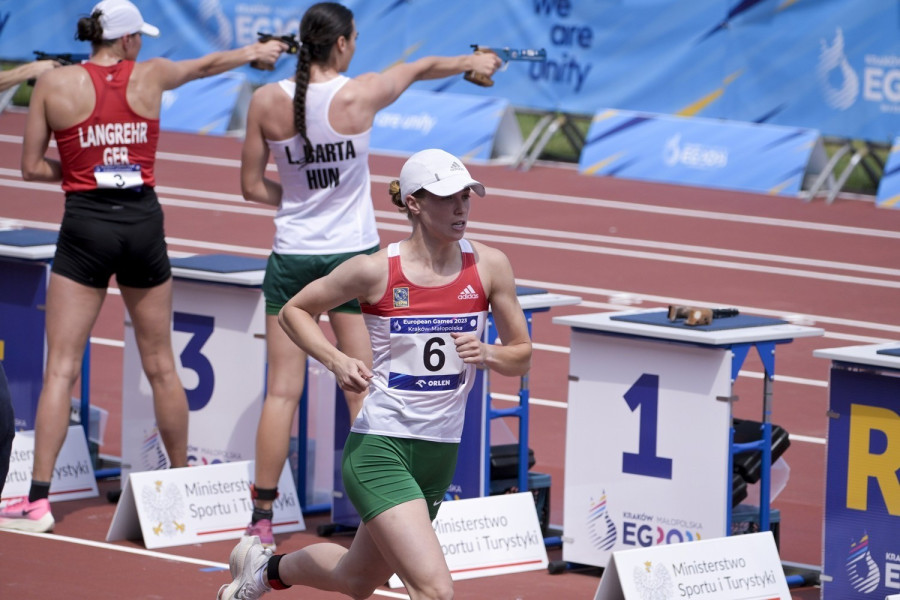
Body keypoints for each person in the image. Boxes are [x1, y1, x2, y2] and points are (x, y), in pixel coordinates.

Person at [0, 0, 286, 533]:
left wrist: (82, 172)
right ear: (129, 41)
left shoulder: (53, 87)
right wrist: (256, 52)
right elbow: (207, 66)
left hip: (84, 226)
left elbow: (30, 166)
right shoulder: (151, 76)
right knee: (161, 364)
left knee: (60, 367)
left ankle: (37, 503)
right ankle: (176, 492)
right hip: (142, 226)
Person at [239, 1, 502, 550]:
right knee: (363, 384)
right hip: (352, 260)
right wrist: (472, 61)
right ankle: (383, 511)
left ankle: (261, 518)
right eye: (354, 39)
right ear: (341, 44)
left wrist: (296, 202)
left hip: (292, 254)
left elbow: (250, 186)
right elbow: (422, 66)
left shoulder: (265, 100)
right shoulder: (358, 95)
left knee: (281, 392)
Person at [217, 148, 532, 600]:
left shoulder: (489, 266)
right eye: (447, 198)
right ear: (413, 203)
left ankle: (264, 571)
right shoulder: (375, 270)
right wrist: (336, 359)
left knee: (356, 579)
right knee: (435, 591)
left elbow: (523, 355)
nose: (461, 208)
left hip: (440, 452)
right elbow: (295, 311)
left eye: (467, 196)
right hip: (380, 447)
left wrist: (489, 353)